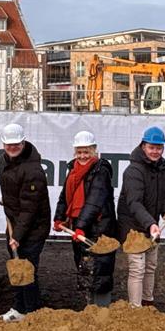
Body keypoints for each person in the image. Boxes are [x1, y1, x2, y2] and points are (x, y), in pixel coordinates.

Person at [53, 130, 117, 308]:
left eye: (86, 152)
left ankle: (102, 307)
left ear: (94, 151)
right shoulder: (72, 170)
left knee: (101, 267)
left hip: (99, 226)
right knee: (84, 265)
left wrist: (80, 226)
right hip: (78, 227)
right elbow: (65, 196)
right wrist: (59, 218)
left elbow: (94, 202)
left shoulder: (101, 170)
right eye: (79, 152)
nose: (82, 156)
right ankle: (89, 306)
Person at [118, 126, 165, 308]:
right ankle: (135, 309)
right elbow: (134, 203)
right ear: (143, 146)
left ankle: (147, 302)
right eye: (152, 147)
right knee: (137, 269)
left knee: (151, 266)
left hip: (151, 225)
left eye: (159, 148)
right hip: (132, 226)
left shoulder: (163, 168)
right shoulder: (133, 171)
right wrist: (151, 223)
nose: (155, 151)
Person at [0, 123, 51, 322]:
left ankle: (30, 312)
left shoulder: (33, 170)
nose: (12, 147)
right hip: (15, 222)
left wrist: (17, 236)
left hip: (34, 227)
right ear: (3, 144)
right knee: (17, 265)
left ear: (23, 142)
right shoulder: (5, 161)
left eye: (16, 144)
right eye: (8, 144)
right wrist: (9, 202)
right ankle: (20, 307)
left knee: (27, 269)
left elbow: (30, 209)